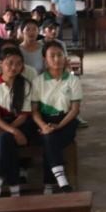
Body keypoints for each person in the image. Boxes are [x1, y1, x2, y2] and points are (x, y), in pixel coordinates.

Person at [31, 41, 81, 194]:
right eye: (52, 56)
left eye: (60, 55)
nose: (56, 59)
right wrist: (43, 126)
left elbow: (74, 110)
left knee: (49, 140)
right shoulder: (38, 81)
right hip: (44, 120)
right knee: (48, 137)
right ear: (45, 59)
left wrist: (59, 126)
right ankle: (60, 180)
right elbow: (34, 111)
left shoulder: (73, 80)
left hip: (66, 121)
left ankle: (49, 183)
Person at [0, 48, 36, 198]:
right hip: (1, 124)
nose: (14, 67)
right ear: (1, 64)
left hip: (22, 125)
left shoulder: (26, 85)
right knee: (7, 141)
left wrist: (9, 130)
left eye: (19, 64)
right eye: (10, 63)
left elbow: (23, 116)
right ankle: (14, 188)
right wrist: (12, 131)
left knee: (3, 139)